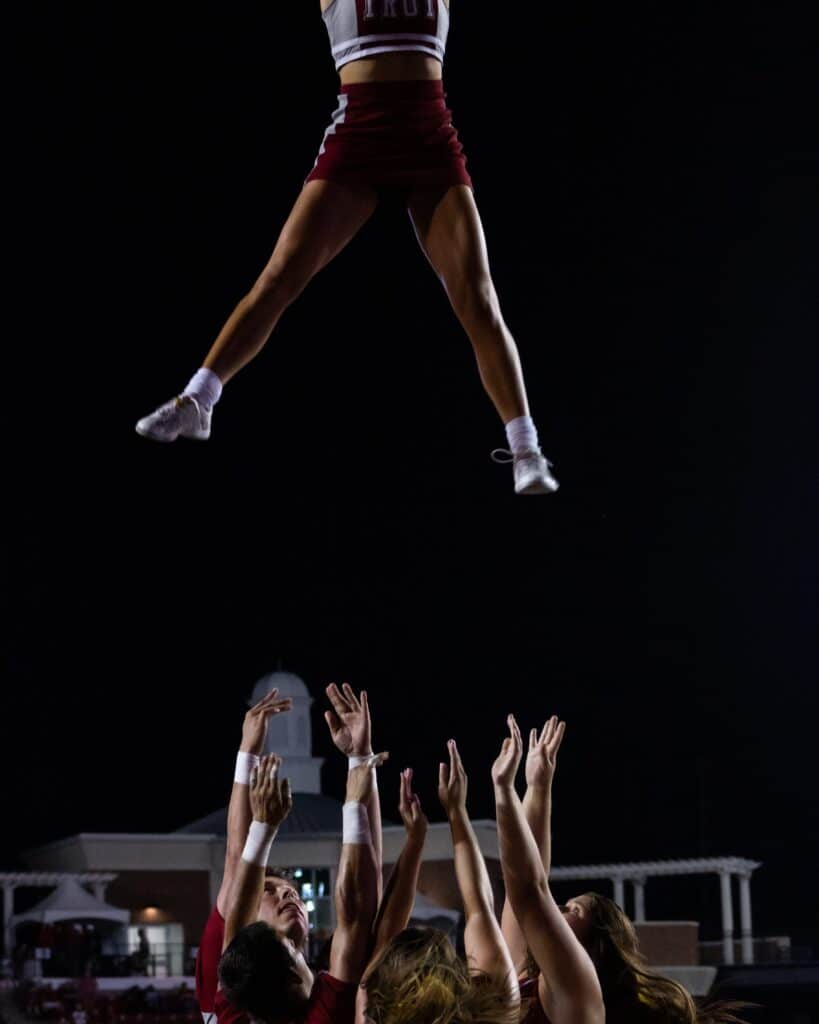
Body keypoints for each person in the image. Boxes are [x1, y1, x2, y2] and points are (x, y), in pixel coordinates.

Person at [134, 1, 558, 496]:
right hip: (360, 135)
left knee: (477, 298)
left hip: (429, 140)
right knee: (280, 276)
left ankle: (526, 449)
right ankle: (197, 401)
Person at [491, 714, 750, 1024]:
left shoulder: (576, 991)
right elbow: (528, 883)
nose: (559, 908)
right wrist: (538, 785)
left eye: (574, 909)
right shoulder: (528, 974)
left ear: (595, 948)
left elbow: (530, 891)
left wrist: (505, 792)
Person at [217, 750, 386, 1024]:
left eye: (290, 890)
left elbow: (235, 926)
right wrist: (356, 796)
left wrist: (262, 827)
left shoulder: (235, 1001)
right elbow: (358, 908)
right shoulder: (326, 1011)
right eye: (268, 891)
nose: (288, 892)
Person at [363, 739, 519, 1024]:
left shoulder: (371, 1014)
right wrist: (456, 811)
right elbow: (480, 909)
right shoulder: (487, 1013)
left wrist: (415, 840)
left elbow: (385, 928)